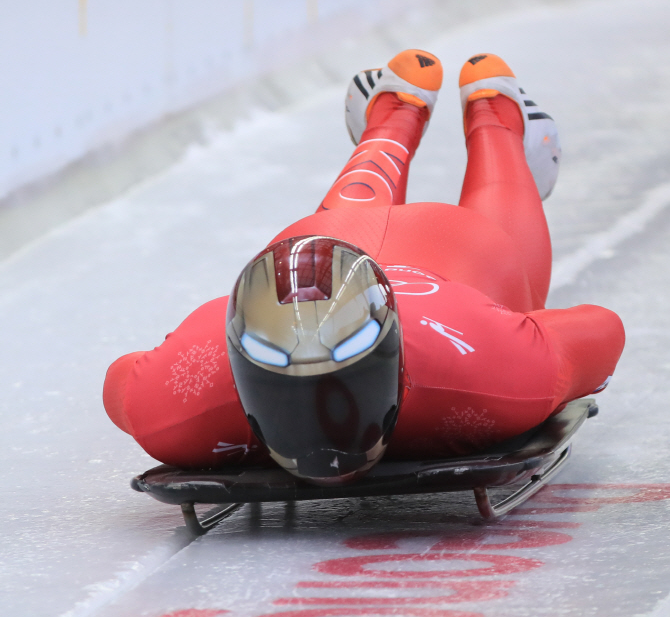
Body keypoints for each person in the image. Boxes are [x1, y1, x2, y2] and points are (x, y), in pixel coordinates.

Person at [103, 49, 625, 483]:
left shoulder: (179, 404)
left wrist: (537, 350)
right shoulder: (498, 373)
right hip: (398, 253)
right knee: (441, 228)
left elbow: (120, 380)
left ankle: (449, 115)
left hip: (448, 254)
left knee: (460, 244)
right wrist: (547, 353)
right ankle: (477, 108)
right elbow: (600, 329)